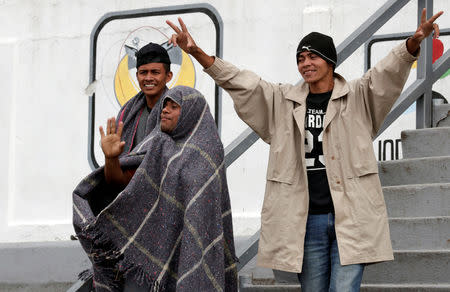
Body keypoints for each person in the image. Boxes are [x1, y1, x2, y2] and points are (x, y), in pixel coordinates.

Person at [166, 9, 443, 291]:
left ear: (330, 61)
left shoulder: (358, 95)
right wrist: (198, 53)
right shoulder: (282, 101)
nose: (305, 63)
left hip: (351, 217)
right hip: (306, 222)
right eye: (300, 58)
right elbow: (240, 82)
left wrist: (412, 43)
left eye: (313, 56)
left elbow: (387, 73)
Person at [73, 86, 238, 291]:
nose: (165, 110)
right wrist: (111, 158)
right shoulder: (157, 144)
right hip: (148, 253)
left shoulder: (207, 154)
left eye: (174, 106)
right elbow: (121, 183)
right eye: (165, 105)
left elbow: (204, 217)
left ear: (191, 113)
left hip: (192, 248)